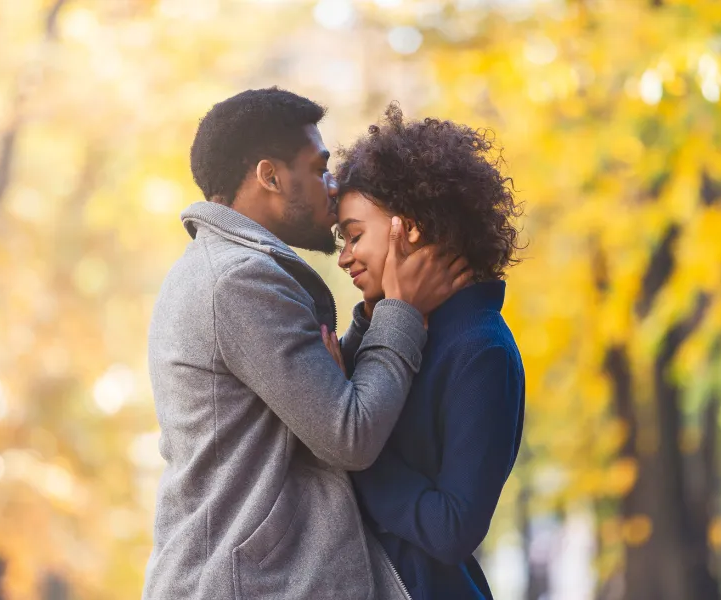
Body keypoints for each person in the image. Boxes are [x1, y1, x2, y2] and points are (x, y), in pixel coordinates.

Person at [142, 88, 471, 600]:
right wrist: (401, 312)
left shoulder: (215, 272)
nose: (332, 185)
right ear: (270, 176)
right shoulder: (239, 282)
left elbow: (310, 410)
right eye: (319, 168)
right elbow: (350, 436)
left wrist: (366, 325)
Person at [329, 104, 525, 600]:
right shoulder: (406, 329)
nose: (344, 256)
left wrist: (349, 450)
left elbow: (453, 528)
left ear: (407, 228)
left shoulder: (480, 349)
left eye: (354, 235)